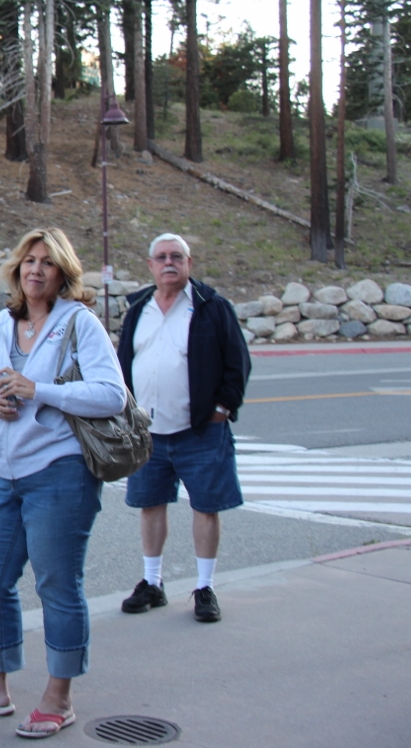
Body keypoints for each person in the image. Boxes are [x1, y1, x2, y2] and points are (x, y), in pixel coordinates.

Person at [0, 228, 126, 739]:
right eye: (29, 261)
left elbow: (112, 395)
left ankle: (59, 696)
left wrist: (40, 390)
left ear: (62, 274)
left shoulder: (79, 323)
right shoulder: (2, 324)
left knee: (57, 583)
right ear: (17, 269)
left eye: (47, 263)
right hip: (8, 474)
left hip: (61, 471)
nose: (36, 269)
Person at [117, 233, 250, 623]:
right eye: (161, 257)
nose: (169, 263)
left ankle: (205, 587)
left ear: (189, 263)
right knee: (150, 505)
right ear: (150, 265)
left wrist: (222, 409)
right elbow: (124, 362)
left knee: (206, 507)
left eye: (177, 256)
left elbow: (237, 363)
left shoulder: (212, 307)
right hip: (148, 433)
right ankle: (152, 582)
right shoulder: (138, 309)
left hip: (200, 431)